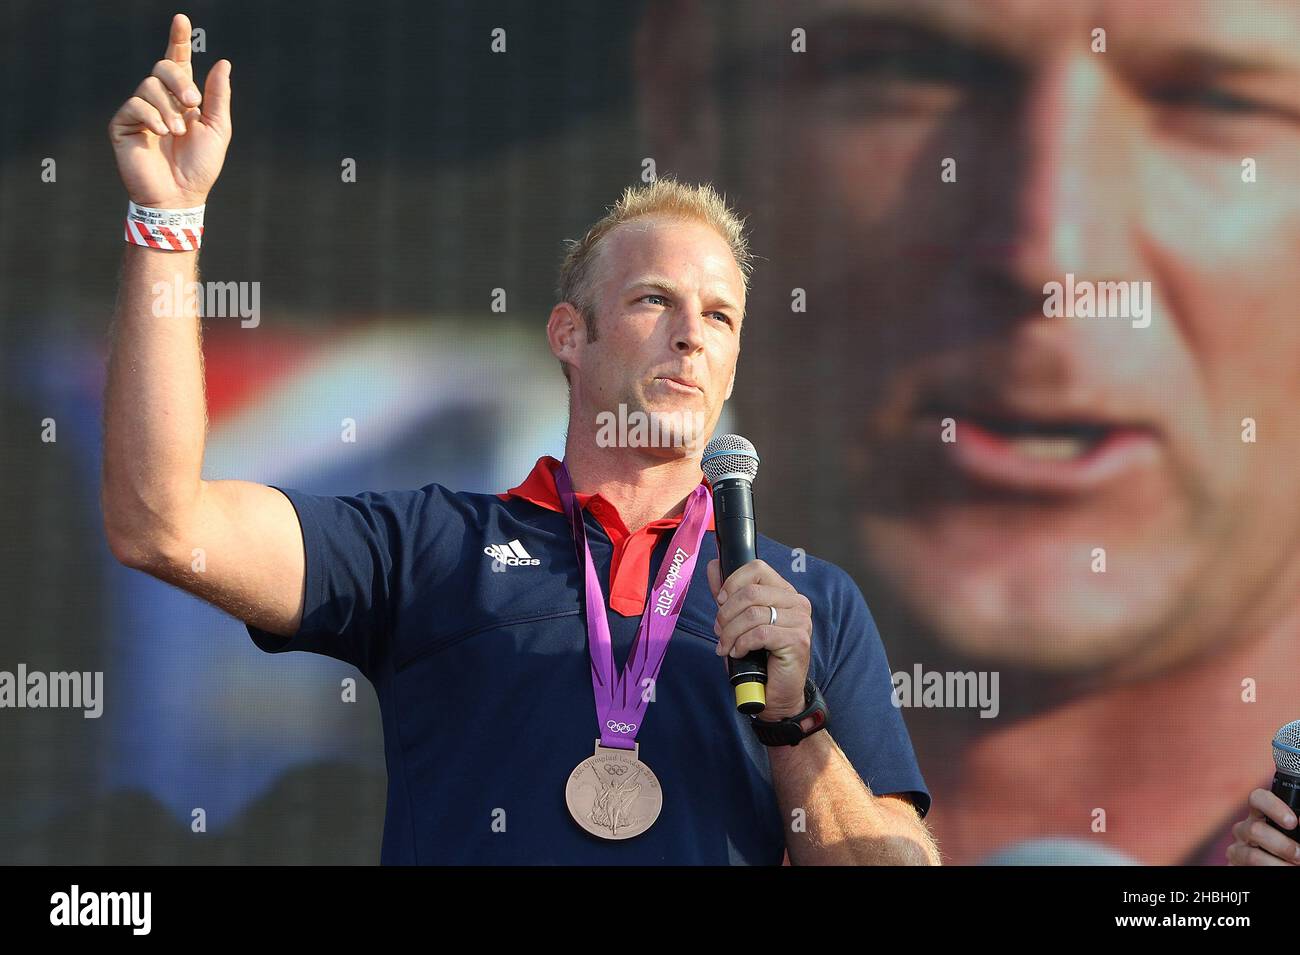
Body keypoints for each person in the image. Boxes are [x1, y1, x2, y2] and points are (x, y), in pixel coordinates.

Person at [101, 13, 938, 865]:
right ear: (569, 335)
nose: (691, 333)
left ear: (733, 362)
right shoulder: (429, 548)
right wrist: (166, 222)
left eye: (720, 316)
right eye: (654, 300)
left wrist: (794, 721)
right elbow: (160, 524)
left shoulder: (802, 603)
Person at [633, 0, 1300, 863]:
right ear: (687, 116)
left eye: (1219, 103)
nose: (1051, 258)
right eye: (906, 73)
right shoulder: (496, 659)